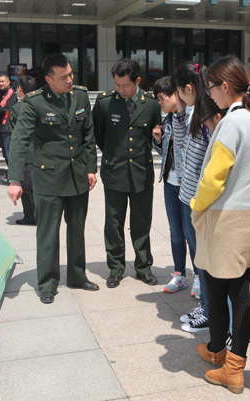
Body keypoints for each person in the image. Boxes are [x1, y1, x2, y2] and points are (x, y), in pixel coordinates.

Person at [192, 55, 250, 394]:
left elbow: (213, 177)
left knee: (220, 291)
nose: (210, 95)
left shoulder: (232, 122)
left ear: (225, 86)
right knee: (238, 293)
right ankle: (221, 354)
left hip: (226, 219)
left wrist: (197, 205)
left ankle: (229, 364)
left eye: (211, 88)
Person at [8, 53, 99, 303]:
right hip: (48, 179)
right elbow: (19, 141)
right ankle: (47, 282)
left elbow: (87, 135)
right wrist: (15, 180)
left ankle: (77, 276)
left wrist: (91, 168)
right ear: (48, 80)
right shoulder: (34, 103)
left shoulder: (80, 95)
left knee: (77, 230)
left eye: (70, 74)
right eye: (63, 77)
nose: (70, 80)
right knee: (48, 233)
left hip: (77, 176)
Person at [92, 58, 162, 288]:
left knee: (141, 222)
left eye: (125, 85)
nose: (120, 90)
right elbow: (98, 135)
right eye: (117, 85)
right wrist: (113, 154)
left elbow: (156, 133)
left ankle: (143, 267)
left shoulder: (151, 103)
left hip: (141, 172)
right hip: (115, 172)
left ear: (137, 81)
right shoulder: (105, 103)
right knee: (113, 223)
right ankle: (115, 268)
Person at [171, 61, 216, 333]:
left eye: (179, 93)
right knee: (199, 260)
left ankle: (210, 312)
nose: (178, 98)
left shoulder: (207, 114)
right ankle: (206, 306)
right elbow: (180, 146)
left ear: (188, 88)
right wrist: (179, 111)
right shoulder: (191, 112)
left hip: (198, 200)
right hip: (188, 196)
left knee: (204, 261)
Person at [152, 76, 194, 293]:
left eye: (162, 97)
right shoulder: (168, 120)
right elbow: (170, 154)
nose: (160, 102)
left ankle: (201, 280)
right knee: (176, 231)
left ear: (176, 94)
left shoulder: (192, 118)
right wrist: (158, 141)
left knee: (192, 233)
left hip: (190, 185)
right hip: (170, 183)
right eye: (158, 98)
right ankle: (180, 275)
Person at [8, 75, 37, 226]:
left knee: (25, 189)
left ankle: (30, 216)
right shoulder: (42, 104)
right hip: (41, 153)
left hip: (26, 153)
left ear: (19, 89)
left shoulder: (17, 108)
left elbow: (16, 135)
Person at [0, 74, 16, 169]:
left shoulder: (10, 92)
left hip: (6, 127)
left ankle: (14, 178)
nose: (0, 83)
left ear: (8, 82)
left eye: (3, 81)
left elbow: (1, 108)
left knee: (9, 155)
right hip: (1, 128)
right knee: (5, 154)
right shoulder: (1, 93)